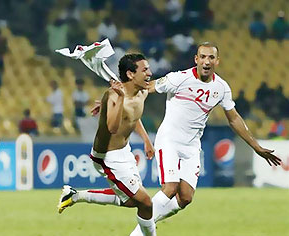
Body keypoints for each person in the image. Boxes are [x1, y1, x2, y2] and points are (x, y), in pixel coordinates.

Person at [134, 42, 281, 233]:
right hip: (169, 139)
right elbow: (147, 87)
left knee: (185, 198)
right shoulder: (178, 78)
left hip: (192, 145)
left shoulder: (221, 88)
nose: (206, 61)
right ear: (196, 59)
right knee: (170, 187)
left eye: (211, 57)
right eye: (202, 56)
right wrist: (119, 93)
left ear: (217, 62)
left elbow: (234, 118)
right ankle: (139, 231)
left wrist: (256, 146)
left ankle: (146, 223)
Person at [58, 54, 157, 236]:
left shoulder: (141, 93)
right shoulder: (113, 95)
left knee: (130, 201)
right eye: (145, 70)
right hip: (107, 157)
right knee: (146, 202)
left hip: (124, 151)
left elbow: (133, 116)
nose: (150, 73)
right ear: (130, 74)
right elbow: (112, 127)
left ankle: (74, 195)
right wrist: (117, 99)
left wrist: (145, 139)